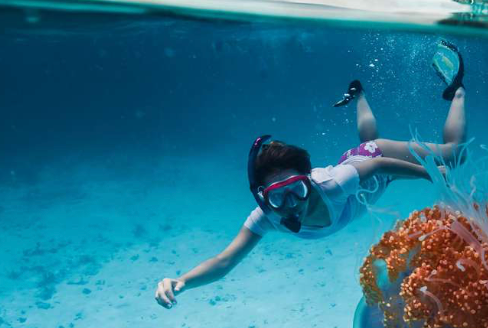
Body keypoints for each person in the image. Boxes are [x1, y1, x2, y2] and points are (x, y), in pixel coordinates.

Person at [154, 40, 469, 309]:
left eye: (297, 189)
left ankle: (457, 89)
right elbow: (224, 261)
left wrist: (429, 175)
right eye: (278, 196)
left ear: (309, 181)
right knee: (366, 144)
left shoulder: (333, 184)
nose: (292, 204)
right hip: (357, 167)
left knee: (453, 155)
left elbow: (378, 165)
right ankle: (358, 94)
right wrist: (181, 282)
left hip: (371, 160)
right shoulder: (267, 217)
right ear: (264, 198)